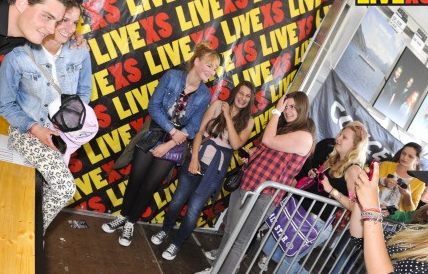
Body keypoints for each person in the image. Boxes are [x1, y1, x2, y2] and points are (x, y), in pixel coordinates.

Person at [101, 42, 220, 247]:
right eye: (209, 66)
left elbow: (193, 126)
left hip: (174, 143)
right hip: (154, 132)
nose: (212, 72)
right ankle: (122, 216)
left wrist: (171, 141)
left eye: (215, 69)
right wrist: (172, 130)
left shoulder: (204, 95)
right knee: (135, 179)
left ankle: (130, 223)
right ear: (197, 61)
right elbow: (153, 106)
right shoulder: (172, 76)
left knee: (149, 186)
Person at [0, 0, 95, 233]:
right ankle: (31, 236)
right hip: (28, 132)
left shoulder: (79, 51)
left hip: (63, 137)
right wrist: (33, 127)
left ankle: (24, 238)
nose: (70, 29)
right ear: (51, 19)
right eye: (64, 20)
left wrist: (68, 121)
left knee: (49, 192)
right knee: (64, 189)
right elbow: (5, 105)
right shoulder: (18, 56)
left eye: (75, 23)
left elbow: (84, 92)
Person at [195, 91, 316, 274]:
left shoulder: (304, 136)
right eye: (285, 106)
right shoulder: (286, 129)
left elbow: (268, 140)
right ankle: (215, 270)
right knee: (229, 233)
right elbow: (269, 150)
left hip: (264, 195)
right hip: (248, 183)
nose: (287, 111)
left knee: (239, 241)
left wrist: (276, 112)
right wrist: (252, 156)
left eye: (292, 107)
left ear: (302, 108)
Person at [150, 81, 256, 260]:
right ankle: (165, 231)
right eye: (241, 93)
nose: (243, 98)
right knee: (177, 201)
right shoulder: (216, 105)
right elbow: (198, 132)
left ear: (251, 100)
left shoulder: (249, 121)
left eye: (248, 96)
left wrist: (228, 117)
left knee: (193, 209)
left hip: (215, 170)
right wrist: (194, 159)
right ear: (235, 92)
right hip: (197, 159)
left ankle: (176, 244)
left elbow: (237, 144)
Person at [259, 121, 369, 274]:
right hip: (297, 213)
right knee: (269, 247)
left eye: (344, 137)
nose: (338, 138)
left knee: (286, 261)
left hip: (315, 223)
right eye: (340, 134)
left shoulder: (354, 170)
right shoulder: (333, 160)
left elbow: (355, 205)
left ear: (355, 145)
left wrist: (331, 190)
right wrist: (314, 176)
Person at [350, 158, 428, 273]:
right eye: (426, 190)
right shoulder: (422, 232)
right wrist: (361, 198)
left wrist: (371, 208)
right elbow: (362, 239)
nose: (424, 198)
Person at [379, 142, 425, 213]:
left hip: (392, 215)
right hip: (372, 203)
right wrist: (384, 181)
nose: (405, 158)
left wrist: (407, 195)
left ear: (417, 160)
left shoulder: (420, 182)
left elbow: (410, 211)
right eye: (403, 153)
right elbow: (370, 183)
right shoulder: (386, 165)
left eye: (410, 156)